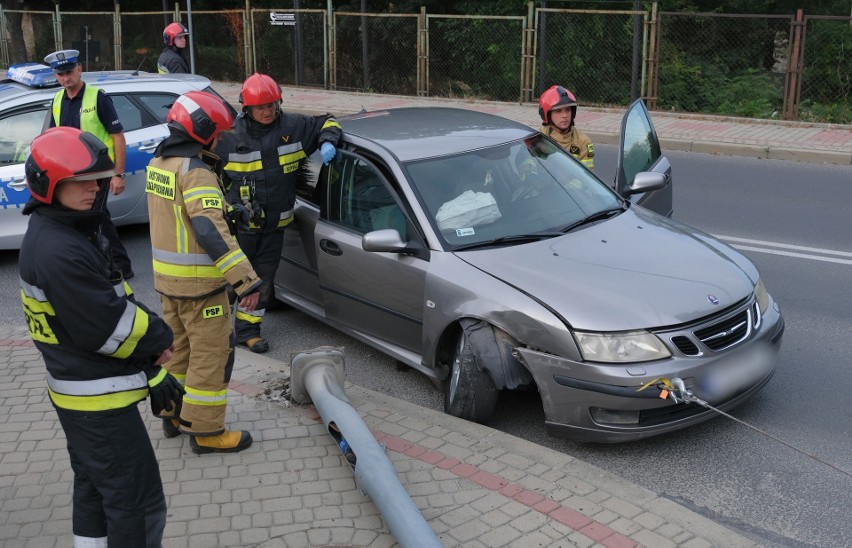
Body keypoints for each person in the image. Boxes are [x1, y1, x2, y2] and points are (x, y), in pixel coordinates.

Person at [19, 126, 183, 547]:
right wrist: (159, 341)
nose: (95, 188)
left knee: (94, 488)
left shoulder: (66, 232)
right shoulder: (60, 250)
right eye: (82, 181)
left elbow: (116, 301)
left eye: (97, 178)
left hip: (84, 393)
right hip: (99, 403)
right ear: (49, 184)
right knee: (137, 503)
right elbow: (110, 327)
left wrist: (148, 368)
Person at [147, 90, 262, 454]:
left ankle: (173, 414)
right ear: (202, 131)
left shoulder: (160, 163)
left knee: (179, 349)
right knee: (211, 354)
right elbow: (209, 232)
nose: (220, 139)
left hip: (168, 284)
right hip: (200, 287)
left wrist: (226, 210)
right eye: (217, 133)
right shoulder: (196, 172)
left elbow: (180, 218)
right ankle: (207, 431)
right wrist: (246, 280)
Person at [216, 72, 342, 353]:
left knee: (263, 279)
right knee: (231, 281)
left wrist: (327, 141)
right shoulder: (227, 137)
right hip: (240, 229)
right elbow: (208, 174)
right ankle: (216, 332)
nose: (268, 111)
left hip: (274, 227)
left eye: (272, 104)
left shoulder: (294, 127)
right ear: (246, 108)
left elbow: (328, 121)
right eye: (261, 106)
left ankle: (248, 331)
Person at [44, 48, 135, 279]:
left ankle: (112, 268)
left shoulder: (98, 97)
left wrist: (118, 174)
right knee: (99, 218)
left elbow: (118, 136)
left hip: (99, 172)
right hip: (74, 174)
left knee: (92, 218)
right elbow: (56, 137)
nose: (65, 78)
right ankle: (118, 265)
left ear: (79, 70)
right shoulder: (57, 99)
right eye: (60, 74)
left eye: (69, 72)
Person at [538, 85, 595, 171]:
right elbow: (528, 168)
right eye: (558, 111)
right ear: (547, 115)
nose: (565, 115)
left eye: (568, 110)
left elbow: (585, 176)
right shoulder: (538, 138)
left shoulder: (583, 142)